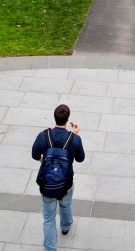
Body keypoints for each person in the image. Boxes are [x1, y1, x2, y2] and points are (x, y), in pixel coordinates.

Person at [32, 104, 85, 250]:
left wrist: (43, 161)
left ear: (54, 117)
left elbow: (34, 154)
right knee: (65, 204)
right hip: (65, 182)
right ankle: (65, 226)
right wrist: (76, 135)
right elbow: (81, 159)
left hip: (46, 183)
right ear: (68, 119)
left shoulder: (44, 136)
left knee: (48, 218)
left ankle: (49, 249)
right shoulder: (74, 139)